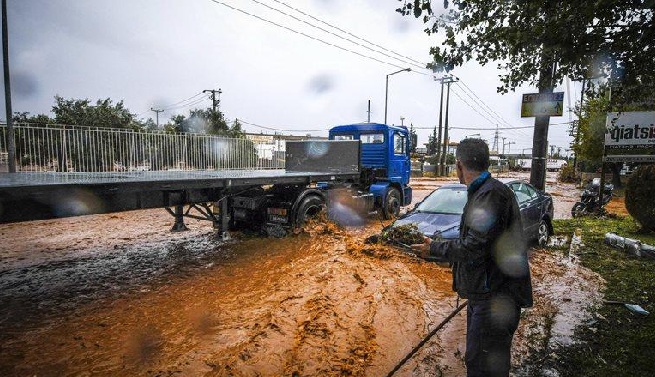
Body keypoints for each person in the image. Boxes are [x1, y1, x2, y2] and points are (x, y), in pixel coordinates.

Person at [411, 138, 533, 377]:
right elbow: (481, 247)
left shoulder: (489, 196)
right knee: (481, 361)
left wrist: (434, 249)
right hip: (487, 295)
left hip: (495, 300)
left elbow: (473, 247)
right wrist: (441, 253)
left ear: (458, 165)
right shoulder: (485, 192)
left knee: (482, 366)